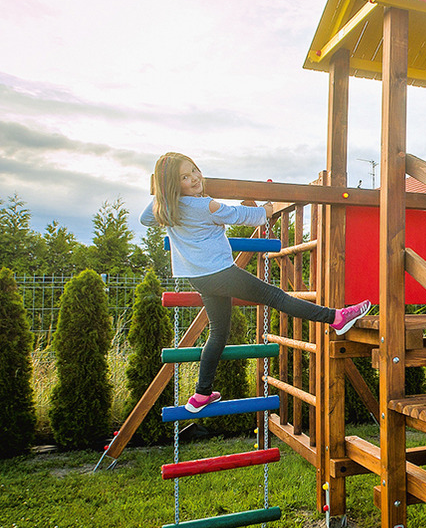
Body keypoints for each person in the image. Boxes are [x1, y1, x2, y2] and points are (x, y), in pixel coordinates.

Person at [141, 152, 371, 413]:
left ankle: (201, 394)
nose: (194, 178)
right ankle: (335, 318)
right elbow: (239, 215)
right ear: (173, 184)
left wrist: (164, 196)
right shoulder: (205, 206)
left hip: (199, 278)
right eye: (184, 177)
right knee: (275, 296)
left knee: (218, 333)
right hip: (220, 273)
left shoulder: (168, 207)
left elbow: (146, 219)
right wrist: (266, 210)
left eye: (194, 170)